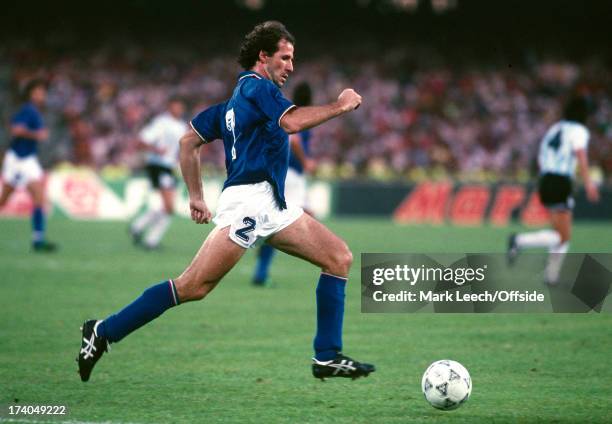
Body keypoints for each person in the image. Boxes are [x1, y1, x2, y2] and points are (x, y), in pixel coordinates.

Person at [77, 21, 375, 382]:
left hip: (272, 203)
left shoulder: (232, 104)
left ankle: (326, 356)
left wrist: (197, 196)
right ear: (263, 56)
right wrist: (342, 106)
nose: (291, 67)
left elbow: (189, 143)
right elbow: (292, 123)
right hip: (249, 202)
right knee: (193, 287)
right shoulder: (259, 88)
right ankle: (102, 331)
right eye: (285, 57)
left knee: (338, 257)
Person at [507, 96, 599, 284]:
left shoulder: (555, 129)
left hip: (546, 179)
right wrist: (589, 183)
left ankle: (551, 276)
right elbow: (580, 154)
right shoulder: (579, 130)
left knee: (559, 233)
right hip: (560, 181)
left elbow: (542, 156)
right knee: (562, 236)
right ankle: (519, 240)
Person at [252, 81, 316, 286]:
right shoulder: (304, 115)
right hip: (293, 175)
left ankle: (261, 242)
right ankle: (261, 248)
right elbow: (294, 140)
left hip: (284, 172)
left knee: (292, 218)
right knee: (292, 220)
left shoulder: (288, 111)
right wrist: (306, 162)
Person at [0, 79, 57, 252]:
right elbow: (16, 129)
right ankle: (38, 240)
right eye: (40, 91)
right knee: (5, 199)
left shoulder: (35, 111)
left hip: (27, 159)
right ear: (32, 93)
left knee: (39, 197)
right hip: (19, 159)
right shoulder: (28, 110)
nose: (43, 95)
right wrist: (36, 134)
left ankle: (38, 240)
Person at [129, 97, 188, 250]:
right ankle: (150, 240)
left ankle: (138, 227)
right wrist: (156, 150)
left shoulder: (181, 126)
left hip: (168, 166)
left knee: (166, 206)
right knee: (169, 207)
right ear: (170, 107)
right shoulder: (162, 122)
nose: (178, 110)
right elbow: (141, 140)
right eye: (175, 106)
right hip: (158, 165)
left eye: (180, 107)